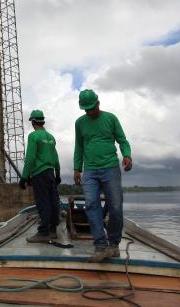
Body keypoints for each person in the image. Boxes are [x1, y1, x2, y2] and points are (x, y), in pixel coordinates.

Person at [74, 89, 132, 262]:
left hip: (110, 167)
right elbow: (79, 146)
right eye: (86, 110)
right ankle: (100, 246)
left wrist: (127, 155)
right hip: (90, 170)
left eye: (92, 108)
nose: (89, 112)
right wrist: (77, 168)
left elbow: (122, 140)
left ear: (98, 103)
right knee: (91, 205)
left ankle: (113, 244)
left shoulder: (111, 119)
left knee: (115, 206)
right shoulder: (80, 123)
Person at [19, 109, 61, 243]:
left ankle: (43, 233)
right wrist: (58, 174)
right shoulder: (51, 137)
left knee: (43, 203)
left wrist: (25, 177)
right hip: (51, 173)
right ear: (42, 121)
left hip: (40, 174)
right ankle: (53, 230)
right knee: (53, 201)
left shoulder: (33, 136)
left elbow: (30, 158)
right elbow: (56, 158)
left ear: (33, 122)